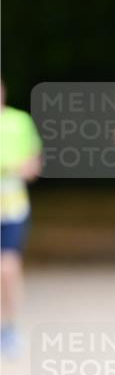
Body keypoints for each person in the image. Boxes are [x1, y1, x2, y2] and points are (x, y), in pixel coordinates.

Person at [0, 79, 42, 359]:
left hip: (11, 207)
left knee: (8, 269)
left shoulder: (19, 121)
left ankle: (10, 328)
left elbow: (33, 166)